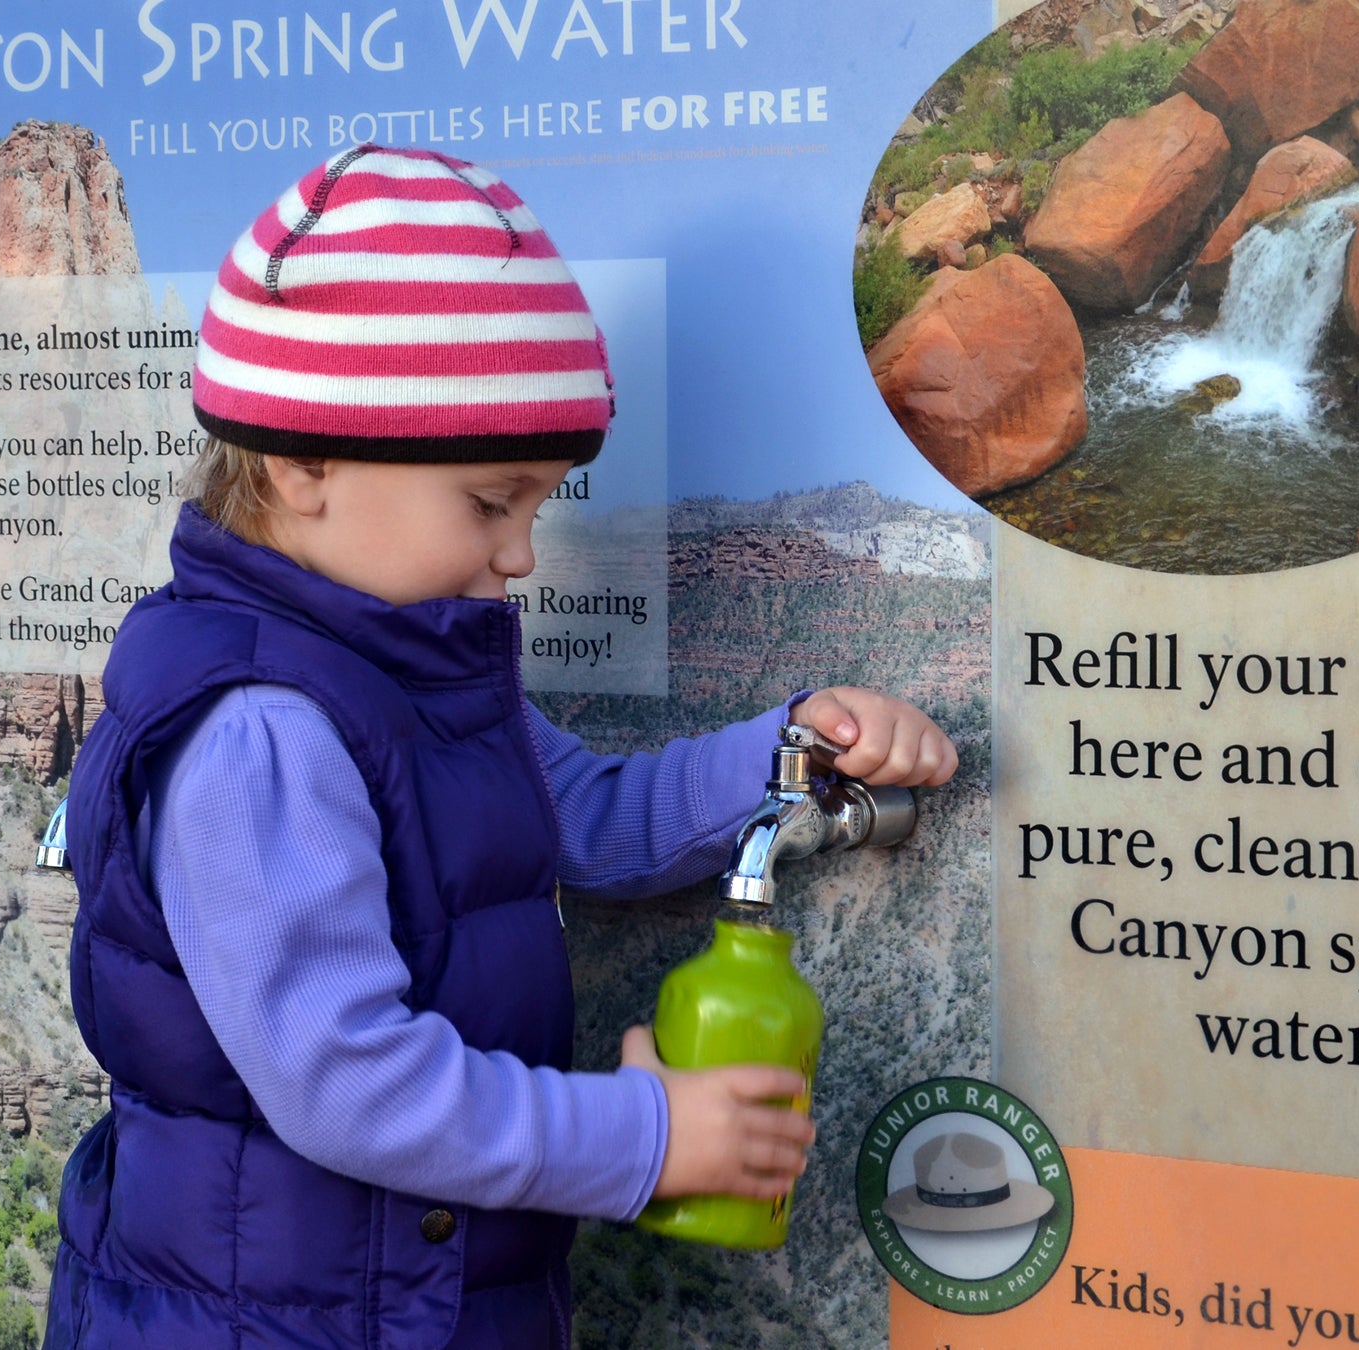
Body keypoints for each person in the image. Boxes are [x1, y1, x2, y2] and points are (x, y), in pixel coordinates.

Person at [46, 145, 958, 1348]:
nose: (521, 554)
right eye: (491, 503)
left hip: (413, 1302)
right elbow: (345, 1079)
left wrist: (784, 754)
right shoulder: (262, 729)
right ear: (304, 462)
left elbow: (585, 812)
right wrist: (645, 1139)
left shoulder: (403, 664)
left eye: (539, 508)